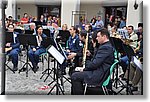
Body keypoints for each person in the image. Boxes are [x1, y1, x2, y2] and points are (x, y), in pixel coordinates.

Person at [71, 29, 114, 95]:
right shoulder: (105, 46)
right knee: (75, 72)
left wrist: (85, 65)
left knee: (75, 76)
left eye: (98, 36)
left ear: (104, 36)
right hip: (98, 71)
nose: (96, 38)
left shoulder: (106, 47)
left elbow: (95, 64)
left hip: (99, 74)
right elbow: (97, 60)